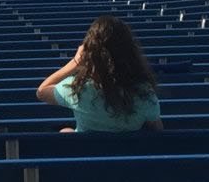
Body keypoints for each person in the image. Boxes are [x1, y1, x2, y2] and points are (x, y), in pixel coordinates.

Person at [34, 16, 162, 134]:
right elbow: (157, 129)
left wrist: (75, 62)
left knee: (66, 132)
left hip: (86, 154)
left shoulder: (79, 89)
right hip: (127, 156)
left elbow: (42, 91)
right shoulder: (144, 91)